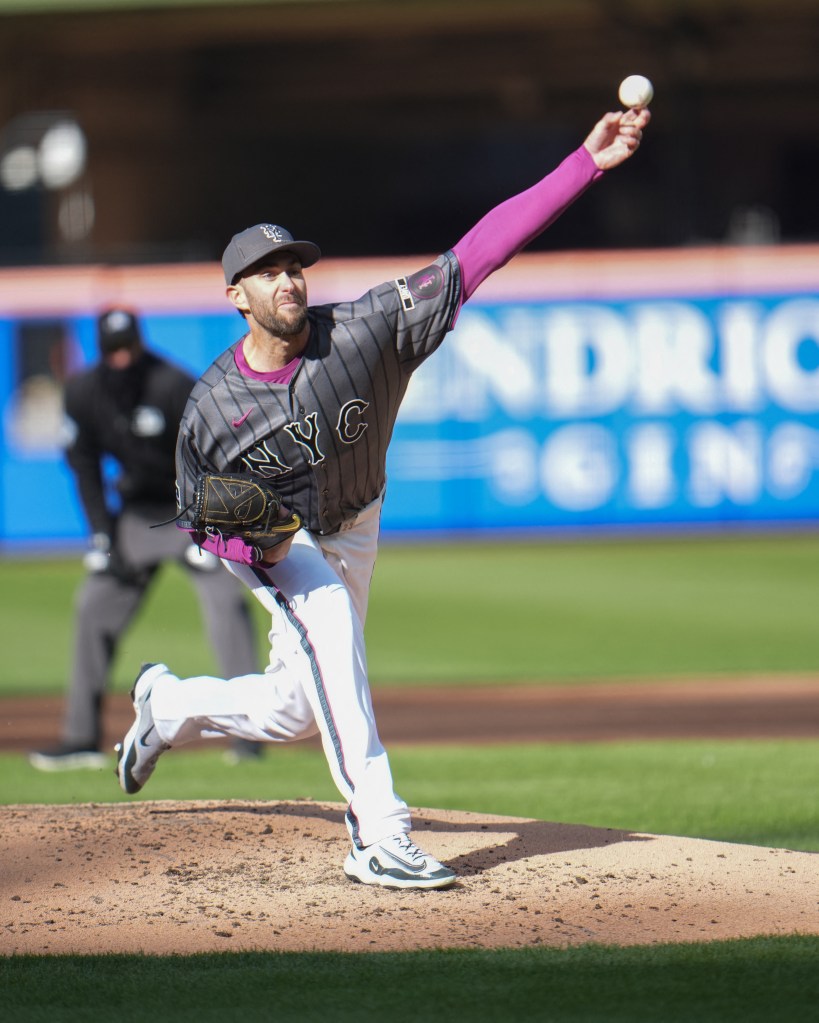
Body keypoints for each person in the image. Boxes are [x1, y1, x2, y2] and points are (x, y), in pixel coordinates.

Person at [114, 108, 650, 889]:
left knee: (294, 709)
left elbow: (478, 252)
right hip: (281, 544)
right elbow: (200, 515)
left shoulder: (366, 332)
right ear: (237, 295)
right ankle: (380, 830)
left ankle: (167, 705)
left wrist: (585, 163)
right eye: (267, 271)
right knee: (326, 620)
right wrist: (252, 546)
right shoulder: (212, 406)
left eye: (294, 265)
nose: (288, 278)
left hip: (356, 520)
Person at [29, 309, 262, 771]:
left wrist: (206, 526)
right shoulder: (83, 393)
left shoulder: (172, 384)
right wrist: (101, 536)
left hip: (188, 511)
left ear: (139, 344)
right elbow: (85, 467)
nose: (120, 359)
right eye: (111, 350)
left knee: (226, 603)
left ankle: (248, 732)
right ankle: (80, 738)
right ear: (100, 349)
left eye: (127, 348)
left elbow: (212, 455)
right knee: (93, 604)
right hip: (136, 516)